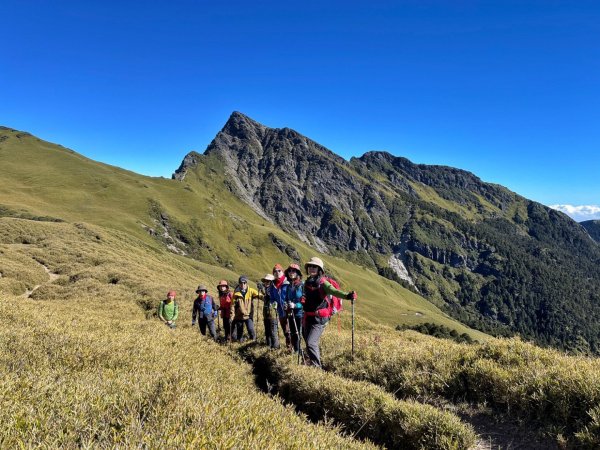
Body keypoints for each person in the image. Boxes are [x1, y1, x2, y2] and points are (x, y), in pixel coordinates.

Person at [302, 257, 357, 368]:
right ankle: (313, 362)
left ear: (319, 269)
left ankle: (317, 368)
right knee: (309, 342)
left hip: (319, 319)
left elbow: (335, 292)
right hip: (308, 317)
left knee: (311, 343)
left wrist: (347, 296)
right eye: (310, 266)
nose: (312, 268)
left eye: (315, 267)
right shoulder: (307, 282)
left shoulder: (323, 283)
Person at [267, 264, 291, 349]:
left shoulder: (288, 282)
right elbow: (272, 298)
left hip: (289, 309)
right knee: (285, 330)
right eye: (275, 271)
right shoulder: (272, 285)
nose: (277, 273)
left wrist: (289, 303)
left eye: (279, 271)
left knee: (290, 330)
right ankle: (289, 347)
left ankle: (294, 348)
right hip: (280, 311)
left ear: (283, 271)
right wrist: (273, 304)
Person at [231, 275, 260, 342]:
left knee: (250, 329)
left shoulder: (251, 291)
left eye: (244, 283)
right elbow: (232, 305)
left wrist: (262, 291)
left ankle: (253, 341)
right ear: (239, 283)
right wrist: (231, 316)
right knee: (239, 332)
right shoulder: (236, 293)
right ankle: (240, 343)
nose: (243, 284)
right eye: (241, 283)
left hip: (248, 315)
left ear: (247, 283)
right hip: (239, 316)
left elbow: (260, 296)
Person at [285, 263, 304, 353]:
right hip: (291, 313)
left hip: (300, 314)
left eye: (293, 271)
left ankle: (300, 352)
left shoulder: (302, 285)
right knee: (293, 333)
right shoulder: (289, 286)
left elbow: (305, 301)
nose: (291, 272)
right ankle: (296, 351)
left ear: (297, 273)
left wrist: (296, 305)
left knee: (298, 333)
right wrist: (286, 304)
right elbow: (287, 299)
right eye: (290, 271)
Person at [260, 274, 279, 349]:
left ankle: (275, 347)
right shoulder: (267, 289)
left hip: (273, 315)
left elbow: (269, 296)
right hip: (266, 314)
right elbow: (266, 297)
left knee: (273, 332)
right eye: (265, 281)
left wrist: (262, 290)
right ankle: (269, 346)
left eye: (268, 281)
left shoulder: (274, 289)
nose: (266, 282)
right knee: (267, 332)